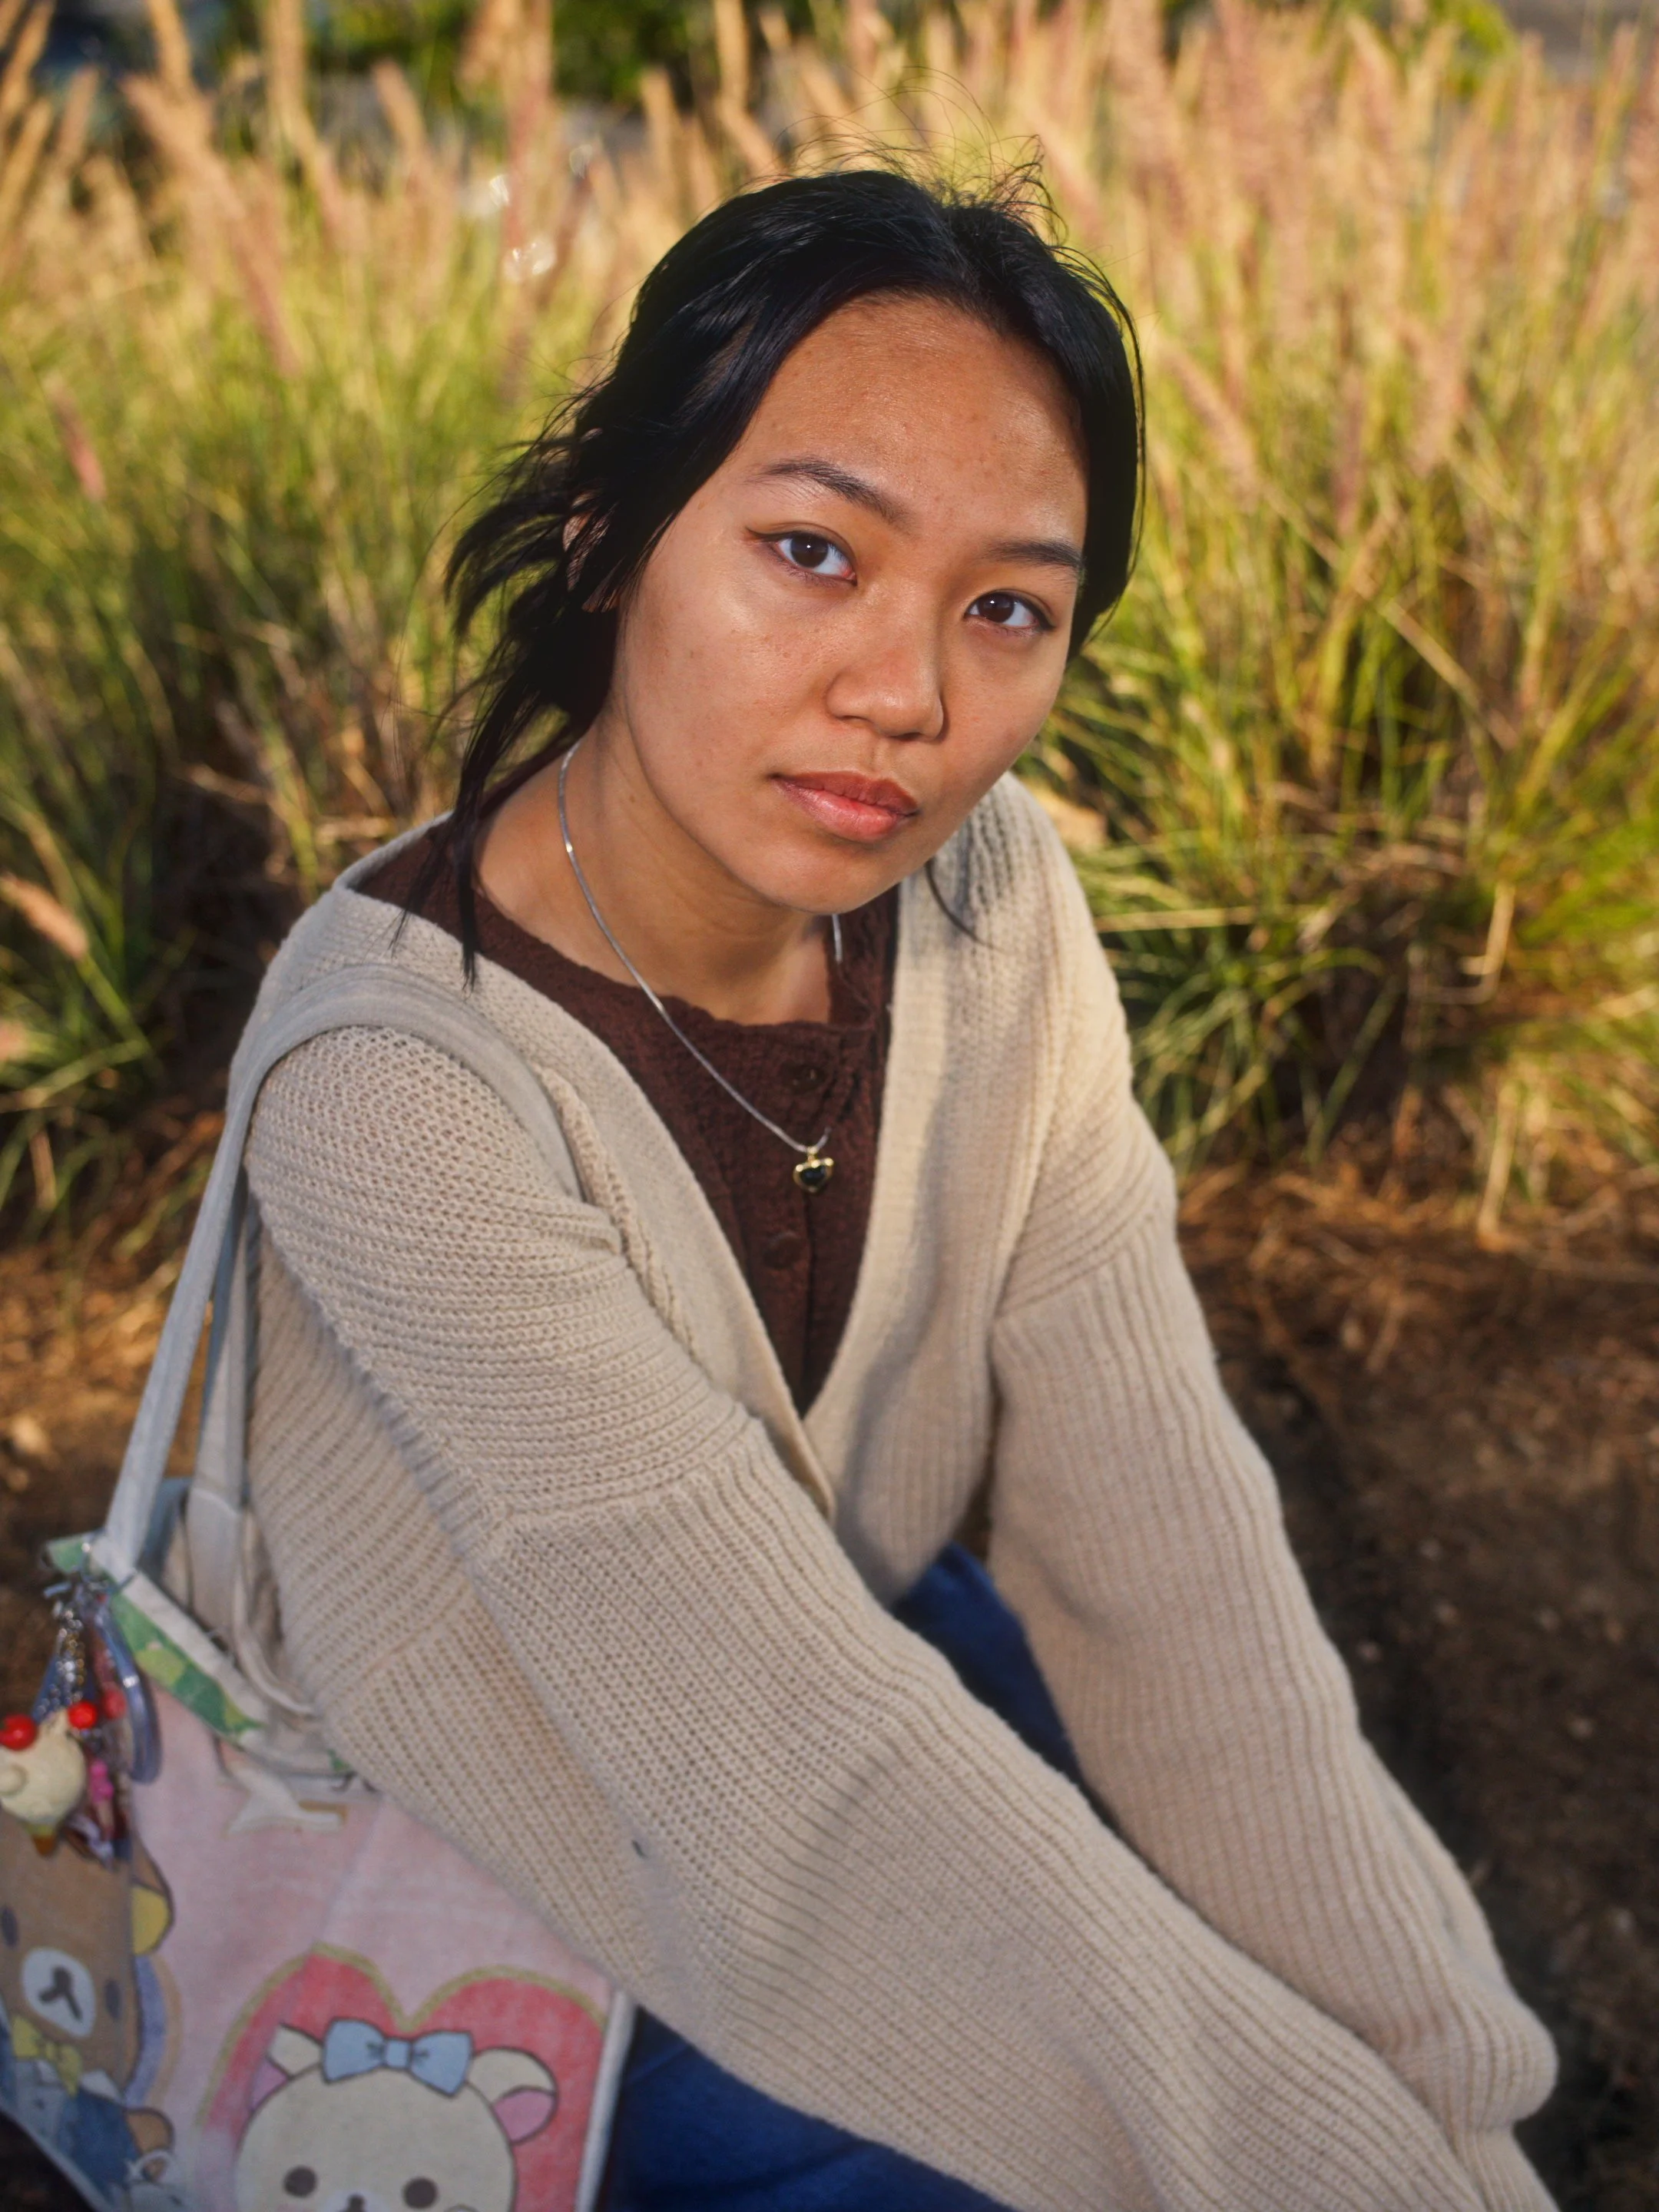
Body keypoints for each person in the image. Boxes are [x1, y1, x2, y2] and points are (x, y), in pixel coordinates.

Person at [237, 167, 1557, 2212]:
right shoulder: (396, 1098)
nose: (912, 695)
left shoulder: (992, 897)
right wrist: (1340, 2165)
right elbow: (804, 1765)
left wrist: (1447, 2090)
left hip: (855, 1651)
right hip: (518, 1869)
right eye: (810, 552)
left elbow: (1162, 1540)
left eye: (1004, 607)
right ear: (606, 538)